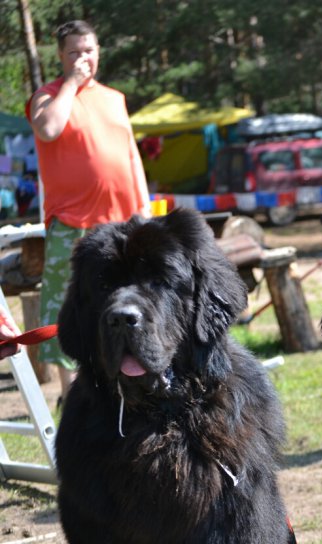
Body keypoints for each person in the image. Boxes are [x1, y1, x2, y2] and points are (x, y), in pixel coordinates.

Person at [25, 20, 151, 401]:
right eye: (74, 52)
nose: (83, 58)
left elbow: (131, 154)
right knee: (66, 302)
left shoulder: (113, 98)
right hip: (72, 222)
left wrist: (144, 209)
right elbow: (48, 129)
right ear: (61, 56)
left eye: (89, 50)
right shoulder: (47, 97)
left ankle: (126, 384)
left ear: (99, 52)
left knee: (125, 302)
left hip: (122, 221)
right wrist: (71, 84)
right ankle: (71, 393)